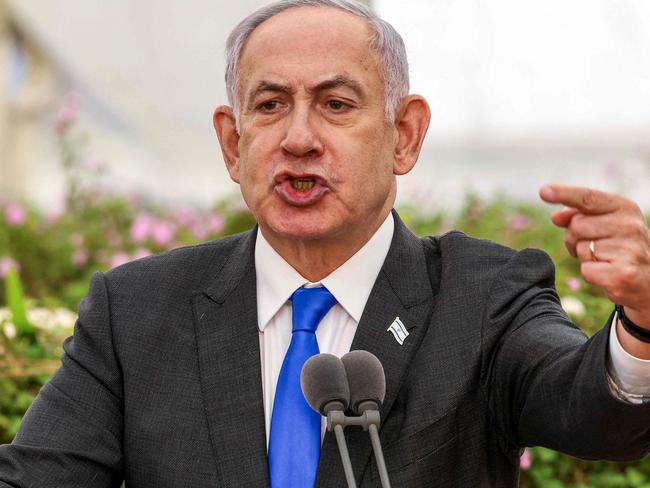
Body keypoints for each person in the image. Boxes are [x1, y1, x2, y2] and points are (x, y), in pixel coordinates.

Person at [1, 0, 650, 486]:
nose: (299, 138)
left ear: (404, 135)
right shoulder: (136, 310)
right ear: (233, 143)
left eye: (337, 104)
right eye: (271, 105)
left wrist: (642, 324)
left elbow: (594, 413)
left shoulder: (484, 297)